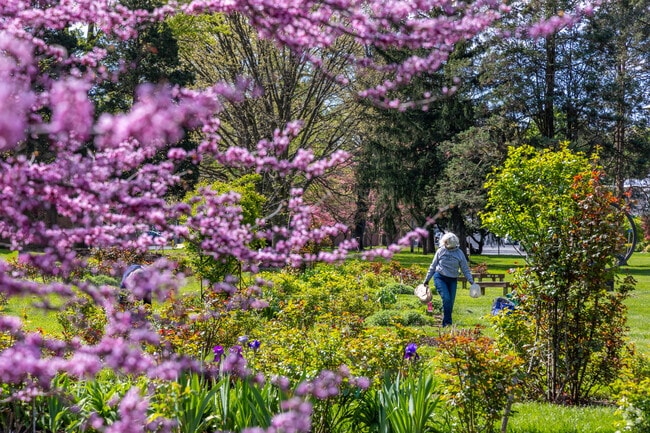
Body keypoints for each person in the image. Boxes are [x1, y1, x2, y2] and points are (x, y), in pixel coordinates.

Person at [423, 232, 475, 327]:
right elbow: (433, 266)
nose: (448, 247)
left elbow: (465, 268)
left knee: (450, 302)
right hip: (440, 277)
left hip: (452, 279)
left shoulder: (459, 253)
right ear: (444, 242)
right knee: (446, 299)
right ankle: (447, 323)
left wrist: (471, 281)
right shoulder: (440, 251)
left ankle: (446, 321)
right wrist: (426, 280)